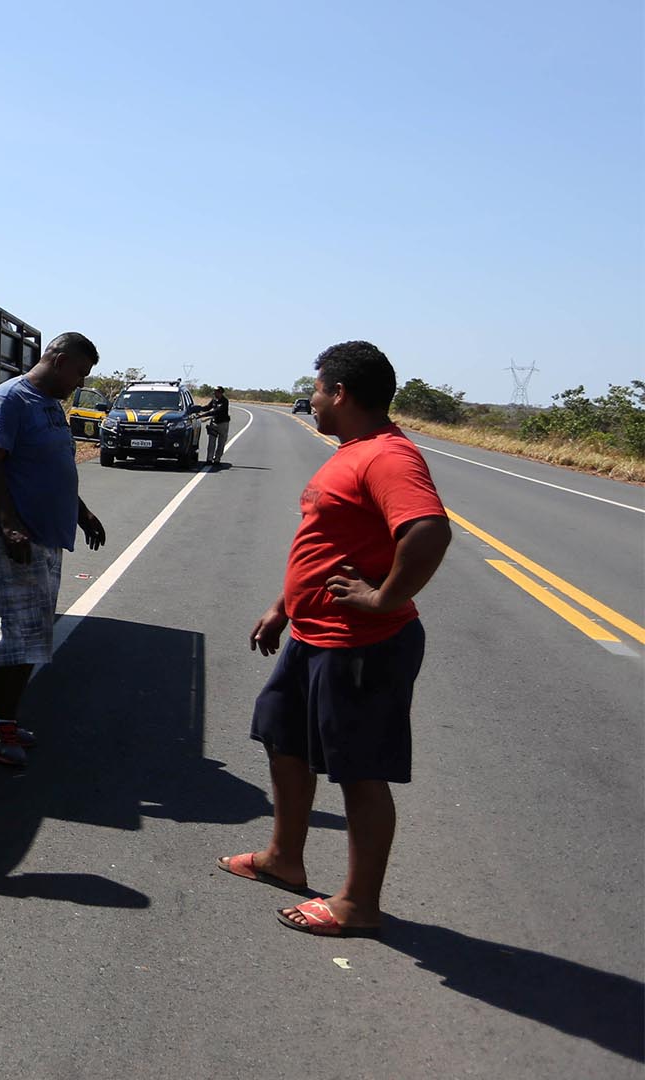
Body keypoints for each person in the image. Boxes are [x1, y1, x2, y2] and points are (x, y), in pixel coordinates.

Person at [217, 341, 451, 937]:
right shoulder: (351, 452)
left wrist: (380, 599)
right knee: (284, 740)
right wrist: (283, 606)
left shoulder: (387, 458)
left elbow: (427, 533)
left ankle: (357, 904)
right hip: (312, 636)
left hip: (359, 645)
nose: (312, 398)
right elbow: (327, 547)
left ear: (341, 393)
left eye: (317, 389)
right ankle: (284, 860)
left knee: (358, 771)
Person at [0, 333, 108, 766]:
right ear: (60, 361)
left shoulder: (49, 405)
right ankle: (2, 728)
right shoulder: (8, 400)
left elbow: (55, 466)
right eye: (80, 373)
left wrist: (82, 513)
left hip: (44, 536)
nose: (79, 382)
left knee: (19, 635)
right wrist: (9, 525)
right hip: (15, 538)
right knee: (24, 637)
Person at [194, 386, 231, 464]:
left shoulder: (224, 401)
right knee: (211, 442)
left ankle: (217, 459)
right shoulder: (214, 400)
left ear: (221, 393)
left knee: (221, 443)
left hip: (223, 424)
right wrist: (198, 409)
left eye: (216, 392)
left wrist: (202, 415)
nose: (215, 393)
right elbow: (208, 407)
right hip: (214, 424)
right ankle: (209, 459)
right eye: (214, 392)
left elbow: (216, 411)